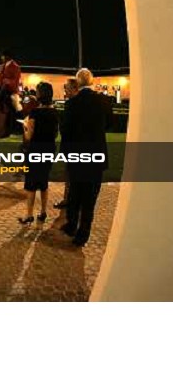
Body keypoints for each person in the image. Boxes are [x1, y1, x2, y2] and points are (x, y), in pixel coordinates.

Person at [60, 68, 113, 246]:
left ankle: (71, 225)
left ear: (78, 82)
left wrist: (66, 154)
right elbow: (109, 125)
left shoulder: (72, 103)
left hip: (76, 156)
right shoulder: (104, 101)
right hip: (96, 156)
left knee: (75, 193)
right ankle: (83, 234)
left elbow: (65, 131)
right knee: (90, 198)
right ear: (91, 81)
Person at [18, 82, 59, 224]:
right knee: (43, 181)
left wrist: (25, 126)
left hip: (35, 149)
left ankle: (29, 214)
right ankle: (43, 212)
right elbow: (55, 134)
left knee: (31, 183)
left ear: (39, 95)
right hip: (49, 149)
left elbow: (29, 136)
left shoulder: (35, 112)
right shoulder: (54, 112)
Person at [54, 78, 79, 210]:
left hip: (72, 146)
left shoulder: (71, 104)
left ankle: (68, 199)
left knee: (70, 174)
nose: (65, 90)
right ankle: (70, 199)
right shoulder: (79, 103)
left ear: (74, 88)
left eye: (67, 87)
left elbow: (65, 128)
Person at [0, 50, 22, 130]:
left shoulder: (15, 66)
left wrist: (6, 83)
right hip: (1, 89)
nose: (1, 58)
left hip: (11, 90)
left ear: (7, 56)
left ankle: (15, 125)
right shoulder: (2, 66)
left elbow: (16, 79)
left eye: (2, 56)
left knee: (14, 106)